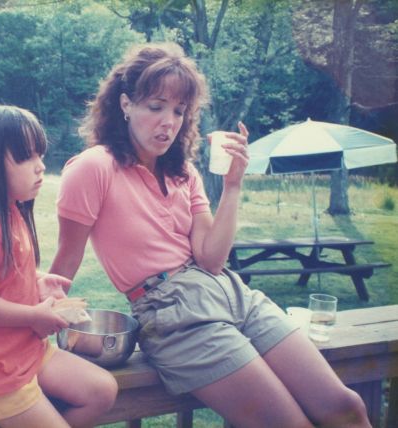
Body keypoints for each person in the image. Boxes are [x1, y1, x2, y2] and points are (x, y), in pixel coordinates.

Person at [48, 43, 370, 427]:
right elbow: (65, 263)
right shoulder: (93, 168)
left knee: (346, 408)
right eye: (156, 106)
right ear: (125, 104)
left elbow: (212, 258)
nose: (168, 121)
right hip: (171, 312)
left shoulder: (184, 173)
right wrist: (35, 330)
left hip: (232, 293)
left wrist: (233, 186)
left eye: (179, 111)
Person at [0, 104, 117, 428]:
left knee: (103, 391)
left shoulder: (10, 211)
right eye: (26, 157)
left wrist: (37, 282)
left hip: (22, 352)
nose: (41, 167)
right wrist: (35, 316)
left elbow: (1, 274)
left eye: (40, 155)